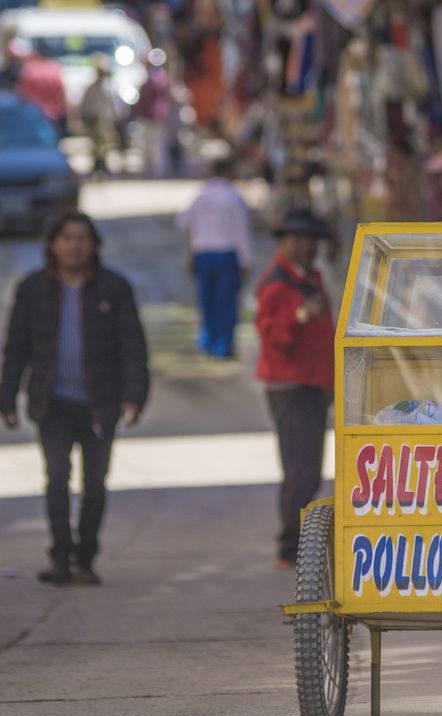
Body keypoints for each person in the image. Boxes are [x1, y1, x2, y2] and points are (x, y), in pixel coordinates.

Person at [0, 212, 150, 586]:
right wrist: (6, 396)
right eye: (66, 237)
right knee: (57, 478)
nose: (74, 244)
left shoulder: (114, 288)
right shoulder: (32, 288)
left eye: (82, 237)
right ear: (52, 244)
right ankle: (60, 557)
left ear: (94, 244)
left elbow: (133, 346)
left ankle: (86, 557)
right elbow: (15, 347)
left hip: (101, 402)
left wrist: (134, 395)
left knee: (95, 483)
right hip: (53, 403)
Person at [254, 208, 333, 568]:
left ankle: (298, 540)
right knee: (301, 467)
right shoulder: (276, 283)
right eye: (298, 240)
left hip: (314, 382)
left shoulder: (310, 277)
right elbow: (269, 333)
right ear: (285, 243)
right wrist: (298, 318)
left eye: (310, 240)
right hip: (290, 385)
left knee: (309, 466)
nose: (306, 247)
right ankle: (290, 544)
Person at [176, 157, 252, 358]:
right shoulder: (233, 197)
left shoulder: (201, 195)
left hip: (203, 253)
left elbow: (182, 222)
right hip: (227, 254)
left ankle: (207, 339)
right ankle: (223, 344)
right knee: (226, 301)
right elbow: (241, 232)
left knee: (206, 298)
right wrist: (246, 260)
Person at [79, 55, 121, 177]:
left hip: (106, 121)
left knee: (106, 146)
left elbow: (115, 105)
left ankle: (104, 166)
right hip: (94, 121)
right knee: (95, 146)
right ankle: (97, 166)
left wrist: (116, 117)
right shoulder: (91, 88)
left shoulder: (110, 88)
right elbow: (85, 104)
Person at [133, 49, 172, 177]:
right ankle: (153, 169)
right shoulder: (162, 77)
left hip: (153, 116)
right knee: (150, 144)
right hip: (153, 116)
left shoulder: (156, 78)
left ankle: (157, 170)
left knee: (155, 144)